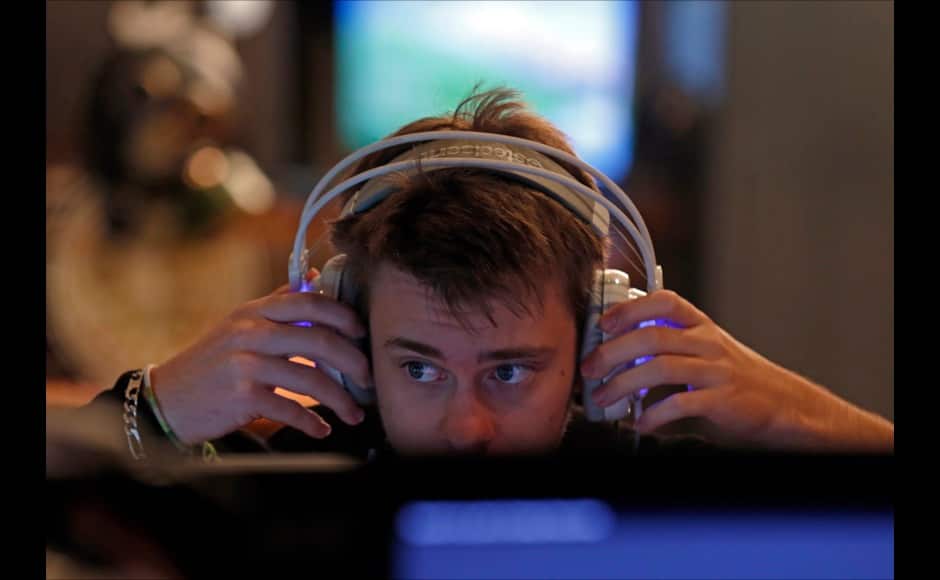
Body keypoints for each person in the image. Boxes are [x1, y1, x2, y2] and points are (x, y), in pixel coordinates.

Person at [79, 88, 894, 461]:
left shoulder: (660, 495)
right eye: (419, 367)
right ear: (350, 325)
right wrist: (148, 411)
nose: (466, 428)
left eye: (509, 369)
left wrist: (799, 416)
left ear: (594, 334)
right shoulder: (293, 478)